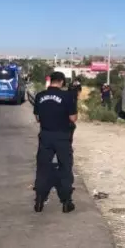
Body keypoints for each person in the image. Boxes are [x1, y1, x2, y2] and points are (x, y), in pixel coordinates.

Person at [33, 71, 78, 213]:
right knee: (65, 168)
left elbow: (38, 118)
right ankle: (66, 202)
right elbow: (73, 118)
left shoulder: (40, 96)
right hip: (62, 137)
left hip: (45, 135)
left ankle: (39, 201)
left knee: (42, 168)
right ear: (62, 82)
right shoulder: (67, 96)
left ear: (50, 81)